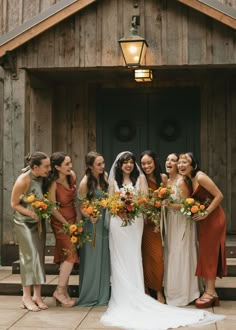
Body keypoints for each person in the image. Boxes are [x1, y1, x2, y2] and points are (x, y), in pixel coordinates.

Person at [101, 151, 224, 330]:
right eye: (125, 162)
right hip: (121, 223)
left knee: (146, 257)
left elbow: (149, 200)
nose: (130, 165)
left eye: (132, 162)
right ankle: (133, 292)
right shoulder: (115, 181)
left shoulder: (167, 179)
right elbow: (111, 201)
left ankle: (176, 291)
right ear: (119, 165)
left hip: (143, 223)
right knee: (124, 258)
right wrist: (119, 209)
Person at [178, 152, 227, 308]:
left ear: (193, 164)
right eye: (179, 162)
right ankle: (211, 291)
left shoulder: (200, 177)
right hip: (204, 220)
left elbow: (219, 195)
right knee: (206, 253)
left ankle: (210, 292)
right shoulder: (189, 180)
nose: (181, 165)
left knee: (210, 254)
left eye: (185, 162)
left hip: (214, 218)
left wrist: (205, 213)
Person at [11, 151, 51, 312]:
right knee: (28, 258)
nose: (49, 169)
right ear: (35, 167)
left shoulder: (42, 178)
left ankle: (37, 296)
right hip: (24, 223)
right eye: (46, 166)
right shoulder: (23, 180)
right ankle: (26, 297)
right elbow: (14, 204)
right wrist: (30, 213)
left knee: (39, 257)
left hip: (39, 223)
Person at [163, 153, 200, 306]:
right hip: (171, 221)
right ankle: (172, 290)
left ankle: (185, 292)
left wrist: (170, 206)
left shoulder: (181, 182)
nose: (170, 162)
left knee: (181, 253)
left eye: (174, 160)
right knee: (171, 253)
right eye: (168, 159)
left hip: (182, 221)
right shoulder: (167, 181)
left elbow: (187, 204)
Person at [46, 151, 78, 307]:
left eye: (70, 162)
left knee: (67, 256)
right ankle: (59, 291)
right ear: (57, 167)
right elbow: (52, 207)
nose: (70, 166)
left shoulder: (72, 175)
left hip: (73, 219)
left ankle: (63, 290)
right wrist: (65, 223)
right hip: (60, 222)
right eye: (66, 164)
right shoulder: (53, 183)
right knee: (70, 256)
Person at [77, 151, 110, 306]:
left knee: (104, 258)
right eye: (99, 164)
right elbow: (82, 207)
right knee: (92, 259)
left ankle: (103, 295)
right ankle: (90, 295)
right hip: (92, 225)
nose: (102, 166)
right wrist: (90, 216)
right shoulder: (84, 183)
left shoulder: (105, 176)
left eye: (103, 163)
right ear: (90, 166)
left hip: (105, 222)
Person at [140, 150, 167, 303]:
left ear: (155, 162)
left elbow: (168, 196)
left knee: (157, 258)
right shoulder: (141, 178)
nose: (146, 166)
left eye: (149, 162)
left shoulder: (162, 178)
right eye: (143, 163)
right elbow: (142, 201)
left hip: (159, 223)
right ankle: (145, 290)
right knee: (144, 257)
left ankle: (158, 290)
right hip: (145, 223)